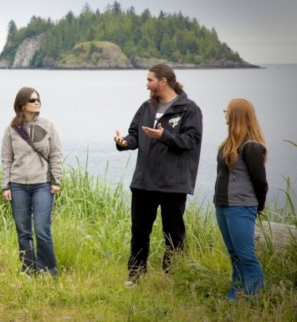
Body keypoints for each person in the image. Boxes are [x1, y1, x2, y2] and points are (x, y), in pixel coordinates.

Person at [114, 63, 203, 285]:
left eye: (150, 80)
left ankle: (173, 276)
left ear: (163, 81)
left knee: (173, 233)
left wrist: (164, 137)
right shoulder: (146, 108)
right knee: (139, 232)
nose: (147, 85)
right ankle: (135, 276)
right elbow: (135, 135)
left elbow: (191, 141)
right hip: (144, 182)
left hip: (173, 184)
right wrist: (124, 142)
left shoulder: (189, 109)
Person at [1, 87, 63, 277]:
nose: (37, 103)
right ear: (22, 105)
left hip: (42, 184)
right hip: (18, 185)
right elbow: (6, 158)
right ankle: (29, 270)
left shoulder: (48, 124)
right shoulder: (11, 129)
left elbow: (56, 153)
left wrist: (56, 180)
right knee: (23, 231)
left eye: (38, 99)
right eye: (32, 100)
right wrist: (6, 185)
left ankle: (49, 270)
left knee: (42, 229)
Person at [214, 98, 267, 300]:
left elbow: (260, 182)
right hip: (223, 205)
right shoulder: (227, 144)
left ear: (235, 115)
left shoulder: (252, 147)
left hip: (241, 206)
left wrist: (259, 206)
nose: (225, 114)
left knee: (245, 254)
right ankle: (237, 292)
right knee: (234, 253)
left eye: (227, 111)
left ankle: (255, 296)